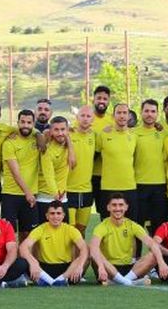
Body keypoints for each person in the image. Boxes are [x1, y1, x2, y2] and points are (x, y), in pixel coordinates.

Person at [89, 193, 165, 285]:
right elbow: (93, 248)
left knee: (153, 255)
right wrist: (100, 266)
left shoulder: (132, 225)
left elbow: (152, 244)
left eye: (121, 205)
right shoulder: (102, 227)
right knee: (94, 251)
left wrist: (161, 263)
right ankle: (128, 282)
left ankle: (121, 281)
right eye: (114, 205)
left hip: (128, 268)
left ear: (126, 207)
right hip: (107, 268)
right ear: (108, 207)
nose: (117, 208)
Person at [2, 109, 50, 240]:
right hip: (11, 195)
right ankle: (11, 261)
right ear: (17, 123)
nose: (25, 125)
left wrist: (39, 133)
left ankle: (25, 261)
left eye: (29, 122)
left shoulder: (36, 138)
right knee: (10, 235)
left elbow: (53, 133)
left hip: (31, 195)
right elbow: (15, 172)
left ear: (33, 123)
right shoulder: (9, 142)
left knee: (28, 235)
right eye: (22, 122)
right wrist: (27, 192)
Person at [20, 201, 88, 286]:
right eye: (52, 213)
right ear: (47, 216)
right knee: (24, 258)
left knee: (86, 254)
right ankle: (54, 281)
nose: (55, 216)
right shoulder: (40, 229)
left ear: (63, 215)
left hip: (66, 268)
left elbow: (84, 248)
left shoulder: (71, 230)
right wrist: (33, 262)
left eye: (58, 213)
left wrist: (80, 266)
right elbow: (23, 247)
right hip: (44, 267)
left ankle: (58, 280)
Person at [96, 103, 138, 217]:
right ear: (113, 116)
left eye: (125, 113)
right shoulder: (103, 134)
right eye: (119, 113)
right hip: (108, 187)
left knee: (131, 225)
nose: (122, 116)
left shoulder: (134, 135)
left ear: (129, 116)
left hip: (129, 187)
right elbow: (94, 155)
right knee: (107, 225)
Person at [134, 99, 168, 236]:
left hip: (160, 186)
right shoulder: (133, 133)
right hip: (139, 184)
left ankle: (156, 256)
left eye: (153, 111)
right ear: (141, 112)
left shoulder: (164, 134)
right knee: (138, 225)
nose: (150, 114)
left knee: (158, 226)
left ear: (158, 114)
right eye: (146, 111)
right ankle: (135, 257)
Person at [66, 105, 97, 233]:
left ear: (93, 119)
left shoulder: (94, 136)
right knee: (70, 230)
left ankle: (80, 254)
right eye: (82, 116)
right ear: (77, 117)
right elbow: (47, 132)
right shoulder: (68, 133)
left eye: (88, 116)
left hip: (86, 190)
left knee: (81, 230)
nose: (85, 119)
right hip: (67, 189)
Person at [37, 115, 70, 215]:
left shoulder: (68, 145)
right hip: (46, 198)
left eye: (63, 129)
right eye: (56, 130)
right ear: (50, 131)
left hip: (62, 197)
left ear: (68, 130)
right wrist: (56, 195)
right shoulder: (47, 150)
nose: (60, 133)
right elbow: (49, 175)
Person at [90, 85, 113, 216]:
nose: (102, 101)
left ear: (109, 101)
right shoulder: (86, 117)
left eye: (105, 98)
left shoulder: (113, 120)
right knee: (82, 217)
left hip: (105, 176)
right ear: (93, 99)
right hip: (86, 175)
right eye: (99, 98)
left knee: (105, 214)